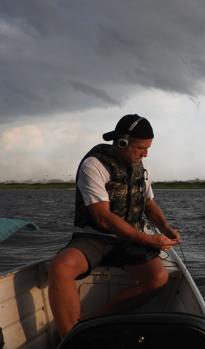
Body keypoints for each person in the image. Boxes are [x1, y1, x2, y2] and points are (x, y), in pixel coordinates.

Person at [48, 114, 180, 337]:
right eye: (141, 148)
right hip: (94, 236)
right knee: (60, 268)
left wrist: (166, 228)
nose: (145, 153)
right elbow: (103, 218)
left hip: (129, 239)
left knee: (158, 279)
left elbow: (148, 202)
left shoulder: (140, 166)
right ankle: (70, 339)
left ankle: (93, 322)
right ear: (122, 142)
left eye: (148, 148)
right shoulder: (93, 165)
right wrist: (150, 240)